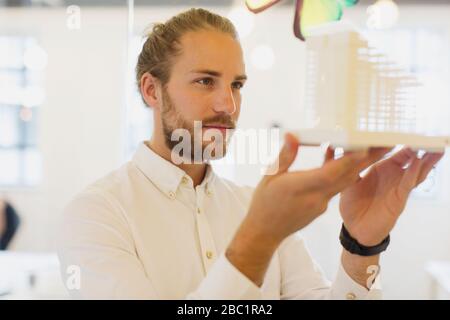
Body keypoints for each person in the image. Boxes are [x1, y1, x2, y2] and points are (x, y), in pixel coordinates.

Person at [57, 8, 444, 299]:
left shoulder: (251, 205)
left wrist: (362, 244)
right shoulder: (95, 215)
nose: (228, 104)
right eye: (205, 81)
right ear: (151, 90)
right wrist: (259, 236)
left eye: (237, 84)